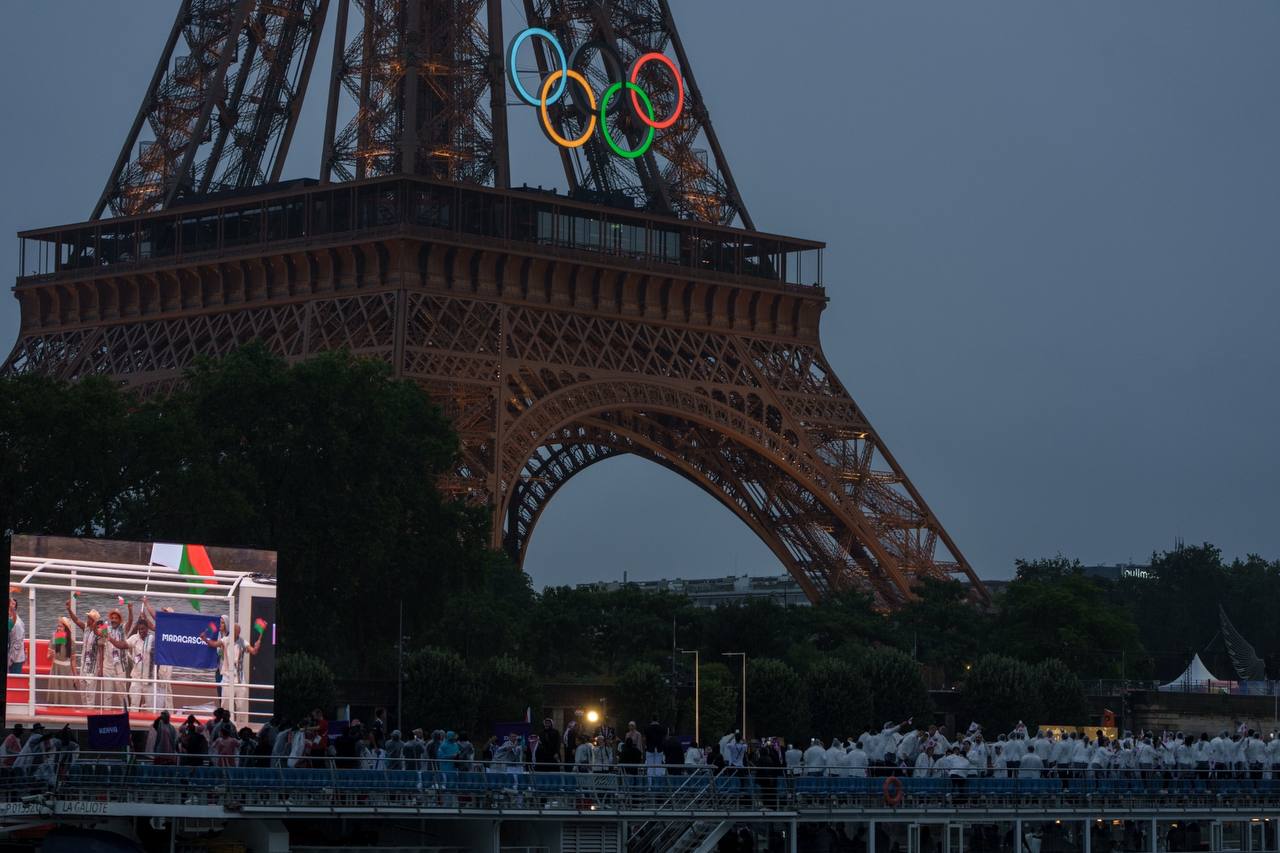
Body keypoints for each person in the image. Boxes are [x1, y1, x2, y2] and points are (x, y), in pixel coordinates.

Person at [44, 617, 80, 708]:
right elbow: (47, 657)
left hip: (67, 670)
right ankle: (54, 709)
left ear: (66, 629)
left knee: (66, 694)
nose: (59, 628)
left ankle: (67, 710)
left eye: (61, 627)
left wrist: (75, 676)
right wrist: (51, 655)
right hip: (56, 668)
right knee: (56, 693)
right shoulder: (55, 638)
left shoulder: (71, 643)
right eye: (58, 626)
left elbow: (73, 660)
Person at [126, 618, 156, 712]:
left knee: (150, 706)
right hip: (137, 677)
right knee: (134, 704)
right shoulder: (134, 638)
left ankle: (150, 724)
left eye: (143, 629)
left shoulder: (153, 640)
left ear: (147, 628)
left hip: (149, 678)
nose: (141, 631)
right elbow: (123, 644)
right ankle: (132, 723)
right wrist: (110, 638)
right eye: (139, 629)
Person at [7, 596, 26, 676]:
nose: (59, 628)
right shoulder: (10, 621)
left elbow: (18, 643)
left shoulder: (17, 624)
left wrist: (11, 659)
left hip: (15, 660)